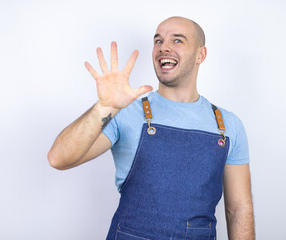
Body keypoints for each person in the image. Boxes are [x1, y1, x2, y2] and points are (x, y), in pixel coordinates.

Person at [48, 16, 255, 240]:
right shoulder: (124, 112)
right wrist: (104, 107)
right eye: (158, 41)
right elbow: (59, 158)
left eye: (177, 41)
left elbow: (239, 210)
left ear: (200, 55)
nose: (163, 47)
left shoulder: (227, 125)